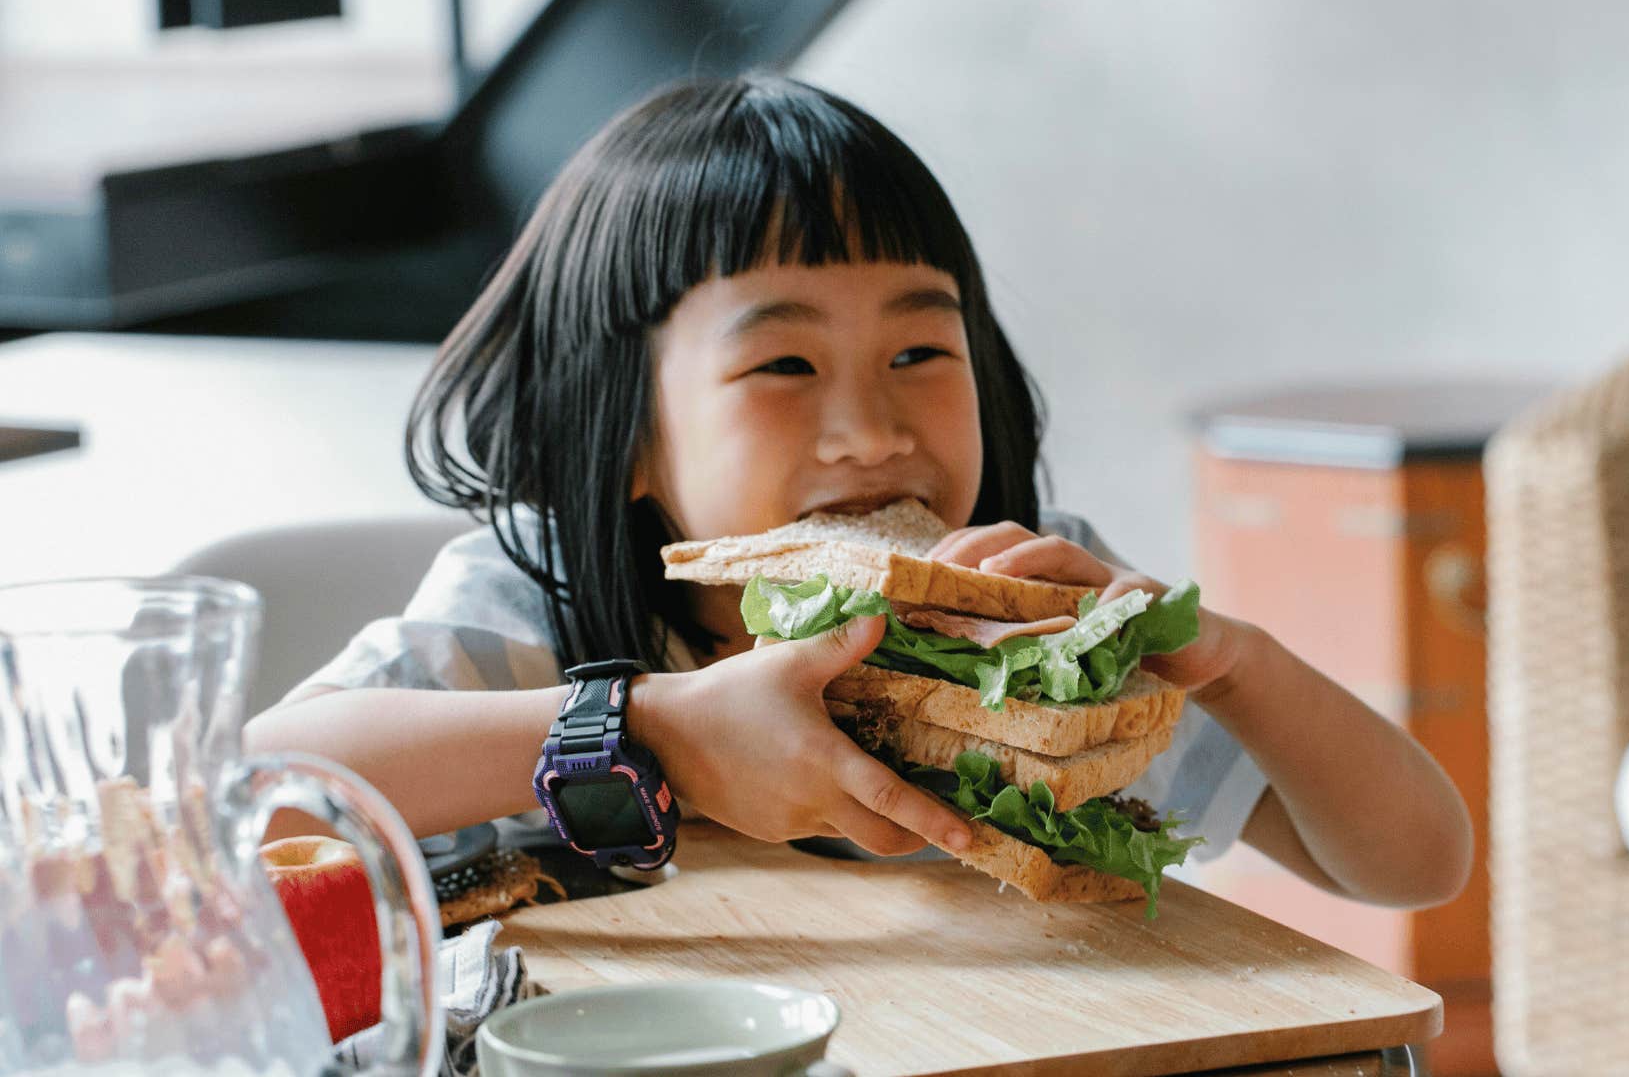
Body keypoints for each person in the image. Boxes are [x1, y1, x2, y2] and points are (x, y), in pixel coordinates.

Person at [246, 73, 1472, 910]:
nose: (870, 427)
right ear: (623, 433)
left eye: (919, 354)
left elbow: (1412, 864)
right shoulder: (537, 606)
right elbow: (261, 795)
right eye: (784, 365)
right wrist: (654, 726)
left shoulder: (1032, 612)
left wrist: (1231, 663)